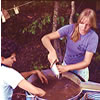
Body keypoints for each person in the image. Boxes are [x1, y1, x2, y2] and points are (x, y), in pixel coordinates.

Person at [41, 8, 99, 81]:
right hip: (66, 64)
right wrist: (52, 51)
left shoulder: (93, 37)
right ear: (79, 21)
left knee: (79, 90)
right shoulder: (70, 29)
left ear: (92, 25)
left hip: (80, 70)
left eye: (88, 25)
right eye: (82, 23)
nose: (83, 27)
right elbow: (45, 38)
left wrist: (67, 68)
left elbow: (86, 62)